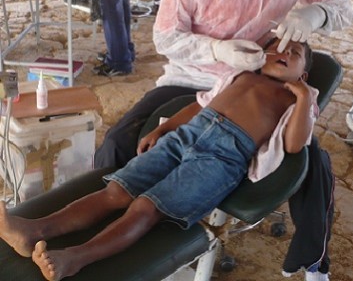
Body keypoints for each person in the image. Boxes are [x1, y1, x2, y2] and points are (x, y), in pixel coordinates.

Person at [92, 0, 353, 279]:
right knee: (118, 142)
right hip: (195, 76)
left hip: (264, 89)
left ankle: (313, 261)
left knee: (313, 165)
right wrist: (218, 51)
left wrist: (315, 14)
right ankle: (114, 237)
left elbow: (344, 8)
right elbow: (166, 37)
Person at [0, 37, 317, 281]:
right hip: (187, 135)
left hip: (222, 157)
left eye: (295, 53)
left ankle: (75, 258)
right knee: (116, 192)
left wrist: (303, 96)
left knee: (145, 207)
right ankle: (34, 231)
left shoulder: (294, 98)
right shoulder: (242, 75)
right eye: (276, 47)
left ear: (303, 73)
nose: (283, 53)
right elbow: (201, 105)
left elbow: (293, 144)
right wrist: (166, 126)